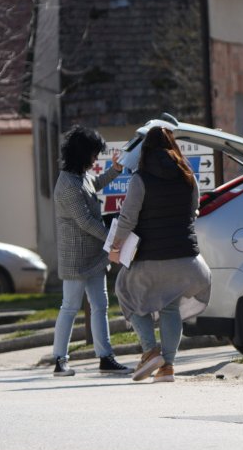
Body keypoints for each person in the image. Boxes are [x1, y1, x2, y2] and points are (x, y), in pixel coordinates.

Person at [109, 126, 211, 383]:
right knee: (169, 307)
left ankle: (150, 350)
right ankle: (167, 366)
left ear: (145, 150)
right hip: (188, 260)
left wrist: (116, 247)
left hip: (150, 258)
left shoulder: (140, 179)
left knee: (126, 292)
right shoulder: (188, 176)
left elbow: (128, 219)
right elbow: (194, 210)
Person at [52, 125, 133, 376]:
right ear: (82, 153)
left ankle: (105, 357)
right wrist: (115, 240)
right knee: (70, 306)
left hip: (94, 256)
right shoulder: (67, 184)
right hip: (75, 259)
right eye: (94, 153)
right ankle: (59, 360)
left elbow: (94, 184)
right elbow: (86, 222)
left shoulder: (80, 177)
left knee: (100, 305)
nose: (96, 158)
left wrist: (115, 171)